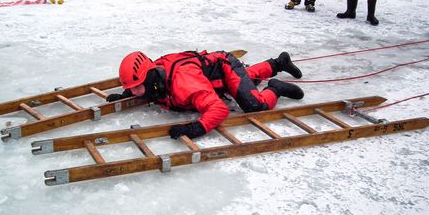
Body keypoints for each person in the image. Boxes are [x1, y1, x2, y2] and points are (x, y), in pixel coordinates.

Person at [106, 50, 304, 140]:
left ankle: (277, 88)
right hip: (210, 76)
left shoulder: (184, 84)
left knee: (254, 104)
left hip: (224, 68)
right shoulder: (154, 77)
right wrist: (125, 95)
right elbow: (143, 88)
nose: (134, 92)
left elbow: (219, 109)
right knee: (242, 82)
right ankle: (278, 63)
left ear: (149, 79)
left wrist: (194, 128)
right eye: (132, 88)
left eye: (137, 88)